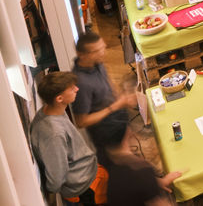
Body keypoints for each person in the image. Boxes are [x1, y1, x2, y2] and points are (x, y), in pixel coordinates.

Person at [30, 72, 99, 204]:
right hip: (80, 188)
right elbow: (56, 175)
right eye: (72, 88)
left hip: (83, 176)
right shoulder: (53, 134)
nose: (77, 89)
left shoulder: (52, 109)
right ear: (59, 98)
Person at [94, 119, 181, 206]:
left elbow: (132, 185)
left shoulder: (105, 160)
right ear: (128, 133)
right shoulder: (140, 170)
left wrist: (158, 182)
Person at [70, 32, 133, 143]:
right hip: (105, 132)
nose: (103, 53)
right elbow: (81, 122)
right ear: (81, 55)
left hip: (117, 118)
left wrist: (120, 97)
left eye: (103, 47)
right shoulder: (81, 83)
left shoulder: (96, 62)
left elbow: (107, 81)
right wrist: (114, 107)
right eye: (97, 51)